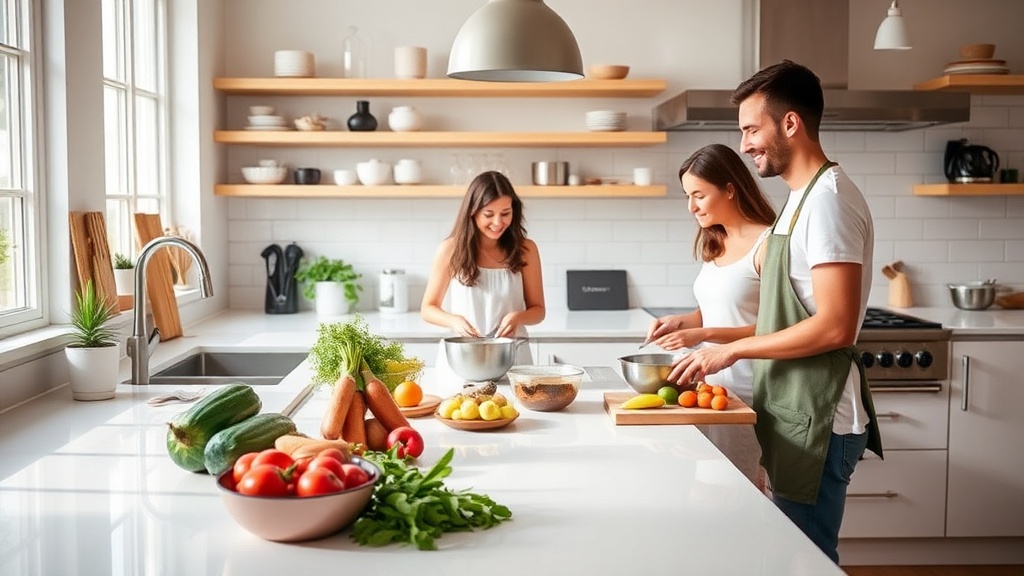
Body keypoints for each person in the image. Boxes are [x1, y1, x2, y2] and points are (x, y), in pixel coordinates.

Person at [669, 60, 883, 565]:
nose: (744, 145)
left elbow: (835, 324)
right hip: (793, 408)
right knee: (780, 559)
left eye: (750, 129)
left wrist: (731, 349)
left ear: (791, 124)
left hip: (820, 415)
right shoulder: (799, 200)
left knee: (803, 563)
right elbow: (783, 312)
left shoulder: (828, 201)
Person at [645, 143, 776, 488]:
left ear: (730, 189)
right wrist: (683, 322)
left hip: (751, 393)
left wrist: (703, 335)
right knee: (708, 491)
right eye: (688, 196)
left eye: (699, 195)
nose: (691, 207)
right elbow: (715, 310)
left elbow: (778, 326)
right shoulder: (715, 241)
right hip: (712, 390)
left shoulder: (769, 244)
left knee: (742, 492)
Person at [421, 171, 545, 391]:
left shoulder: (526, 250)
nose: (498, 222)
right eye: (489, 214)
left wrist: (518, 317)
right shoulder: (450, 250)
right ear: (472, 212)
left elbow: (538, 310)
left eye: (505, 213)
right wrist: (454, 321)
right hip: (462, 363)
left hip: (513, 360)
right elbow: (428, 308)